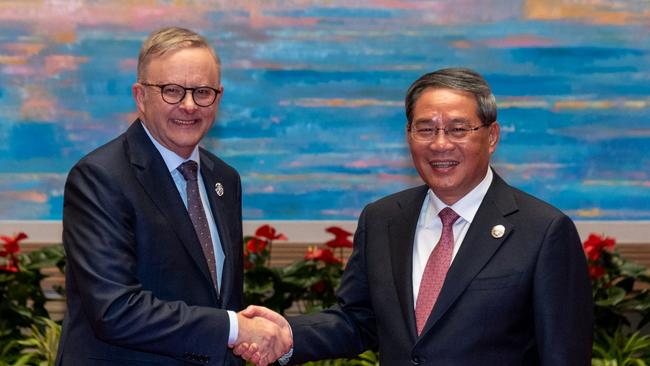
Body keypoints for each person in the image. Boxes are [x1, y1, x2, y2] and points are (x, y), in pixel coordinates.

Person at [237, 67, 593, 365]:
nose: (440, 144)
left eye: (458, 129)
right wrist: (288, 334)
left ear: (492, 137)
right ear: (409, 136)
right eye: (425, 129)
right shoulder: (383, 219)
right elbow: (359, 320)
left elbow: (563, 356)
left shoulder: (543, 231)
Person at [56, 27, 291, 365]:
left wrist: (245, 333)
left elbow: (220, 298)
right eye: (172, 91)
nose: (189, 105)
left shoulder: (224, 179)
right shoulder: (100, 177)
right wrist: (236, 328)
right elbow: (115, 309)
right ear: (140, 96)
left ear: (218, 97)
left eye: (203, 92)